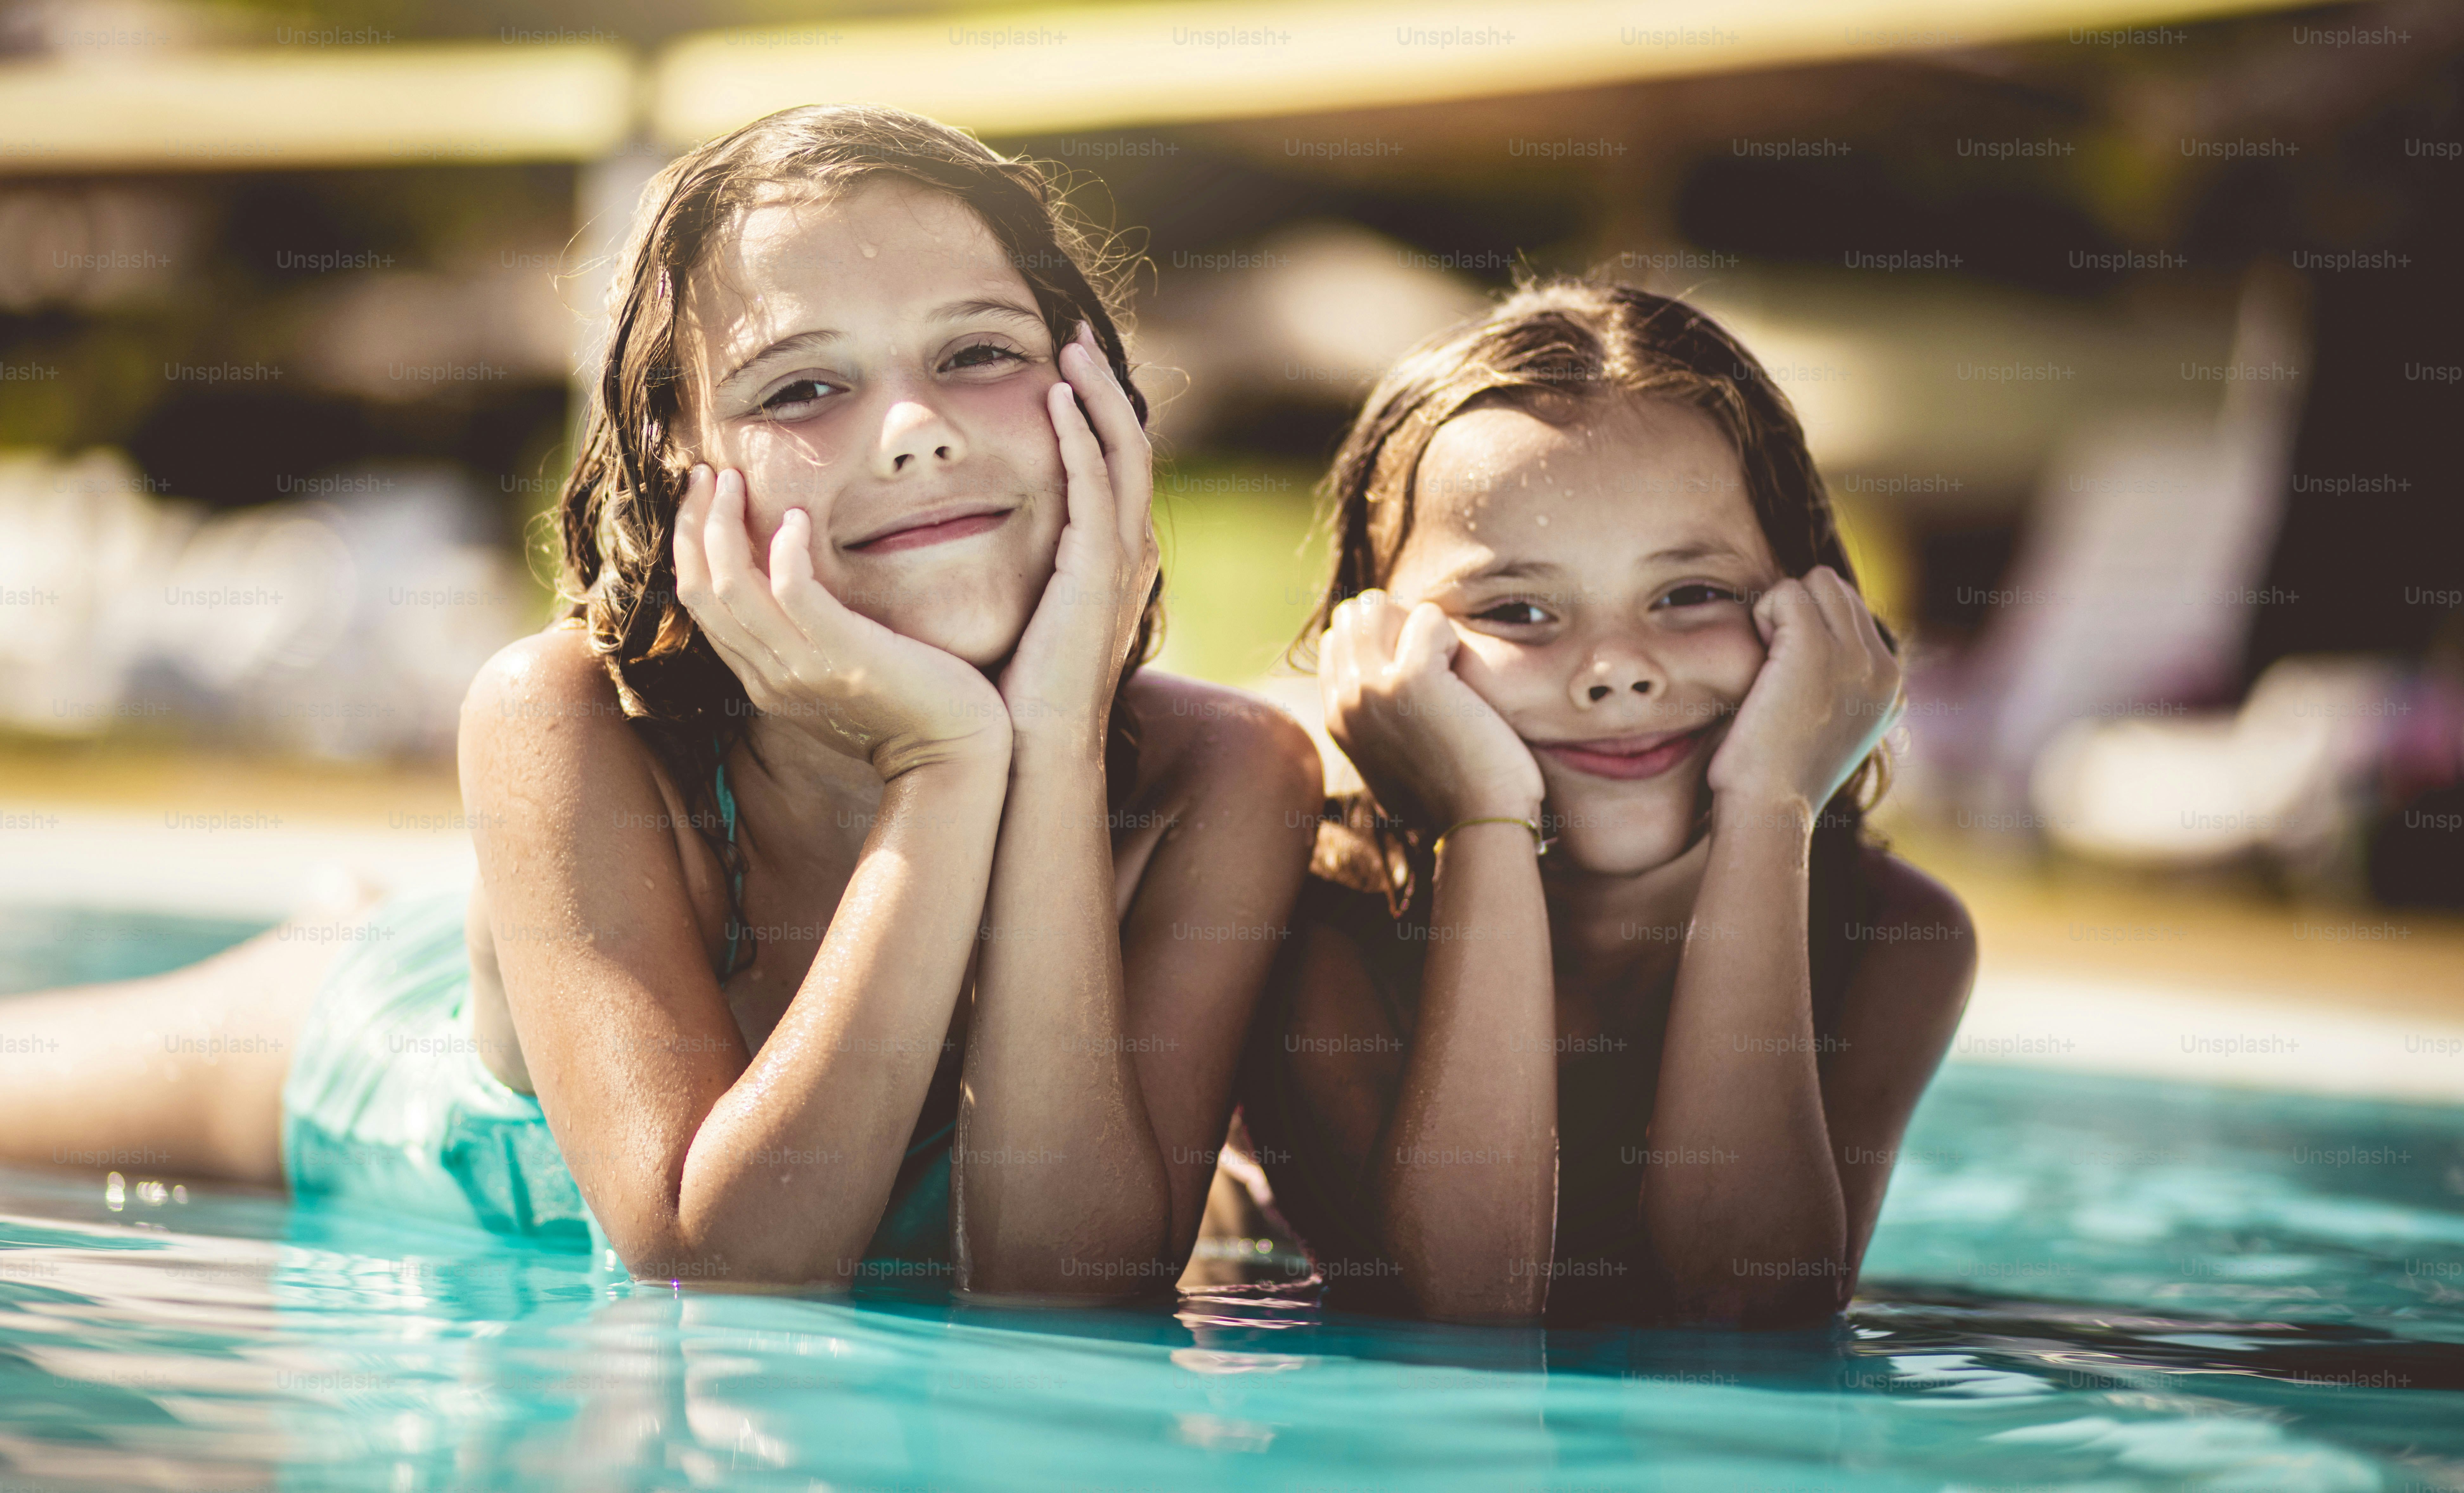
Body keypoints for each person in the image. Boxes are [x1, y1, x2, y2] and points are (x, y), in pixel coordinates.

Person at [0, 105, 1321, 1297]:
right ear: (678, 468)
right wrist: (948, 765)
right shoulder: (565, 716)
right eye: (803, 386)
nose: (915, 429)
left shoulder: (1223, 776)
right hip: (357, 1047)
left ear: (1097, 396)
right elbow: (723, 1262)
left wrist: (1052, 760)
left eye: (979, 351)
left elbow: (1070, 1283)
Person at [1234, 279, 1978, 1326]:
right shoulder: (1304, 921)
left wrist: (1773, 806)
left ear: (1817, 611)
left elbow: (1751, 1310)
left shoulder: (1895, 937)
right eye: (1520, 609)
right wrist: (1482, 820)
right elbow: (1459, 1312)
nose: (1617, 669)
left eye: (1690, 594)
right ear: (1381, 648)